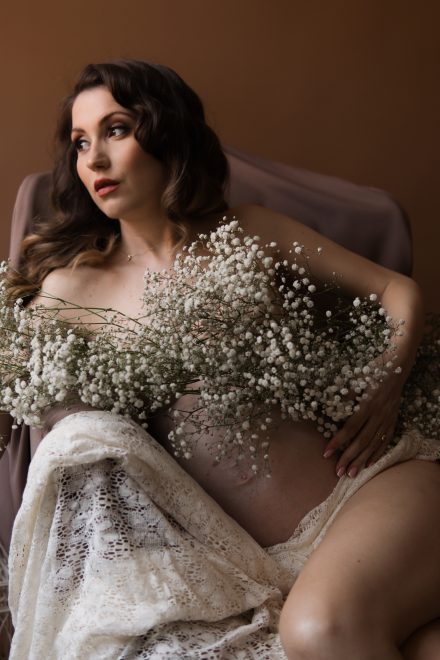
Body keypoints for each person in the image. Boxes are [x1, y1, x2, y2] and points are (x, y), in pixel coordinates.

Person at [2, 59, 440, 659]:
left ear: (166, 132)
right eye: (80, 143)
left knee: (319, 631)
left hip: (373, 491)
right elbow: (21, 400)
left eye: (117, 130)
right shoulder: (70, 292)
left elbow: (397, 290)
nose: (94, 159)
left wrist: (386, 382)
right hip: (261, 565)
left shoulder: (245, 231)